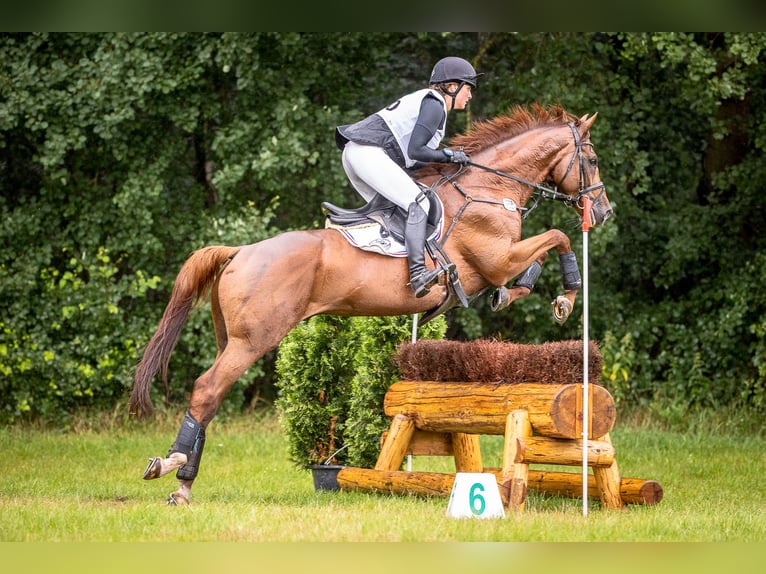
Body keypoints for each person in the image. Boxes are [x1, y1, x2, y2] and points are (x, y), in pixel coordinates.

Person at [335, 56, 481, 298]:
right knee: (419, 203)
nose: (470, 96)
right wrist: (450, 155)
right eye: (468, 88)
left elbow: (414, 158)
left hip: (358, 154)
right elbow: (416, 150)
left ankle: (383, 272)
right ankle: (417, 274)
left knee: (396, 211)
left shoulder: (428, 103)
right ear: (452, 87)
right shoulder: (435, 104)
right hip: (368, 153)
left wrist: (448, 161)